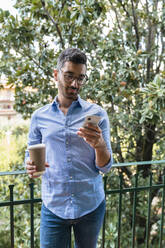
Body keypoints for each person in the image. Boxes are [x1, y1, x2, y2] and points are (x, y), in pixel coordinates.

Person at [25, 48, 113, 248]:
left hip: (90, 205)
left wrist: (99, 146)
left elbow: (105, 167)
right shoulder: (39, 117)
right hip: (54, 206)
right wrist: (29, 166)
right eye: (69, 76)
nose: (75, 84)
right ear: (56, 75)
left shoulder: (97, 114)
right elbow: (29, 154)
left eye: (81, 78)